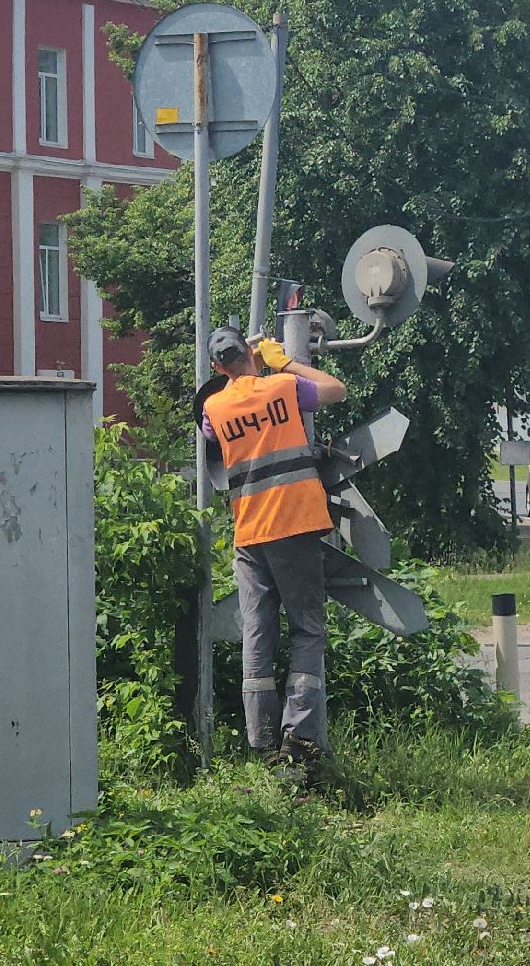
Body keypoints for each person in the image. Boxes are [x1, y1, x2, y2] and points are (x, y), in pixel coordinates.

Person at [199, 326, 346, 771]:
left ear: (215, 367)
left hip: (249, 533)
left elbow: (214, 433)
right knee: (307, 629)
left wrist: (243, 373)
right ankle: (299, 738)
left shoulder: (213, 407)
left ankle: (261, 740)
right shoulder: (282, 386)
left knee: (258, 633)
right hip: (294, 524)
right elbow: (336, 390)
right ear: (249, 350)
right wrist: (281, 360)